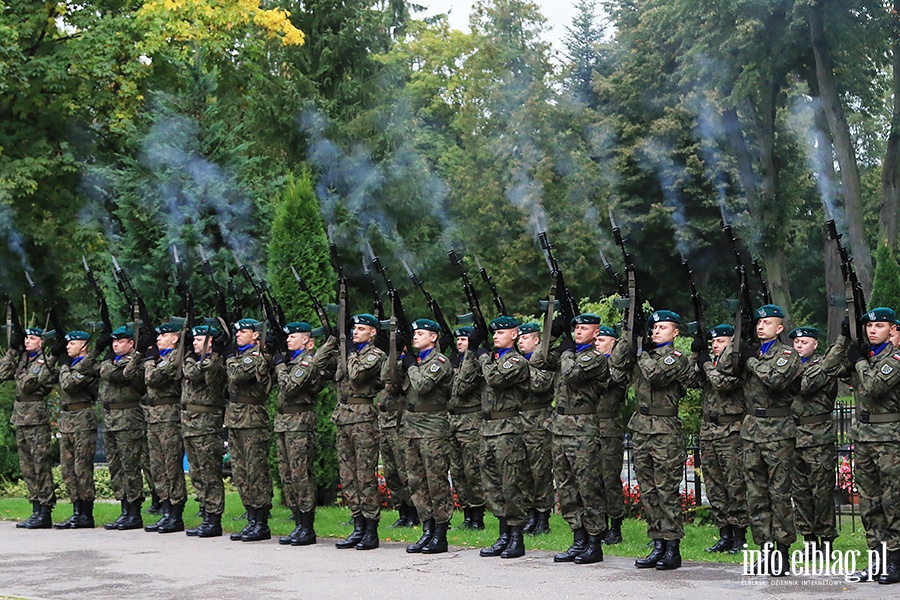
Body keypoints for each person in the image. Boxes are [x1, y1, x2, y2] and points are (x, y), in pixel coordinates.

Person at [721, 304, 802, 576]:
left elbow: (775, 380)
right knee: (755, 496)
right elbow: (724, 367)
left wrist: (751, 360)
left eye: (767, 323)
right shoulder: (751, 351)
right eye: (758, 322)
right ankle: (765, 549)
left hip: (778, 431)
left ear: (779, 328)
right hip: (752, 430)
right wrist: (738, 338)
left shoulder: (787, 354)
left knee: (779, 494)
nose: (761, 326)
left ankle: (782, 552)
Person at [823, 308, 900, 583]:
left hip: (890, 439)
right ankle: (876, 560)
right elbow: (827, 369)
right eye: (869, 326)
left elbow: (874, 385)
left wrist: (858, 361)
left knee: (893, 502)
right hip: (864, 437)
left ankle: (895, 561)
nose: (872, 330)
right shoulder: (865, 357)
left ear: (892, 330)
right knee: (868, 504)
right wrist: (844, 340)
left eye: (879, 326)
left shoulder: (895, 359)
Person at [611, 310, 691, 570]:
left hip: (665, 429)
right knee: (648, 490)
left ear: (675, 332)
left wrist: (640, 353)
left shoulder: (676, 358)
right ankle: (657, 542)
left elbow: (657, 375)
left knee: (666, 490)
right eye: (654, 327)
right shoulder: (644, 355)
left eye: (663, 328)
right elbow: (616, 366)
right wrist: (629, 336)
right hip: (642, 428)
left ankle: (672, 547)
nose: (656, 331)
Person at [549, 314, 610, 565]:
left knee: (588, 487)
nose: (578, 332)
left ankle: (594, 542)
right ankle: (578, 538)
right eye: (576, 328)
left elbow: (571, 373)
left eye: (584, 328)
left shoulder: (594, 358)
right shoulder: (571, 353)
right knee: (566, 487)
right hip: (561, 427)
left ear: (596, 334)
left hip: (583, 428)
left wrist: (565, 352)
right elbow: (542, 360)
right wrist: (554, 337)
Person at [692, 324, 748, 554]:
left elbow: (722, 383)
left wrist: (705, 364)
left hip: (731, 429)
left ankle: (739, 536)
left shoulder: (736, 365)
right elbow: (689, 380)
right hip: (709, 430)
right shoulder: (710, 365)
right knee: (714, 486)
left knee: (735, 485)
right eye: (714, 342)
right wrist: (696, 356)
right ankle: (723, 533)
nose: (716, 346)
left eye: (722, 342)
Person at [478, 316, 530, 559]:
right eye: (494, 333)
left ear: (514, 335)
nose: (496, 336)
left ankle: (516, 537)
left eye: (502, 332)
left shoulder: (516, 361)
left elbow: (495, 380)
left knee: (511, 484)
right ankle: (503, 535)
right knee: (492, 485)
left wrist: (482, 359)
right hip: (488, 428)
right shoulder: (494, 360)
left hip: (508, 428)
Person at [333, 314, 386, 550]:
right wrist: (333, 340)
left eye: (361, 329)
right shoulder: (348, 352)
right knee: (347, 476)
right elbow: (320, 367)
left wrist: (348, 352)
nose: (355, 332)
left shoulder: (375, 355)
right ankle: (357, 525)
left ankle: (371, 529)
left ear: (372, 332)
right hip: (343, 417)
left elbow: (356, 375)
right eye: (354, 328)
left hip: (363, 419)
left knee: (365, 475)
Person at [402, 319, 455, 555]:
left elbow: (423, 386)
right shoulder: (420, 361)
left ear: (433, 337)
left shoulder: (439, 362)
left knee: (436, 482)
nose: (415, 337)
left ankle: (441, 533)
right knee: (417, 481)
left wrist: (411, 366)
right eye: (415, 333)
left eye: (420, 333)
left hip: (433, 428)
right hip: (412, 427)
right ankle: (427, 528)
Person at [0, 325, 57, 529]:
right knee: (27, 466)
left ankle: (45, 509)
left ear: (41, 341)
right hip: (21, 417)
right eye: (26, 338)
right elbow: (1, 373)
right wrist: (12, 352)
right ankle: (35, 507)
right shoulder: (23, 360)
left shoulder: (46, 361)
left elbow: (28, 385)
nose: (28, 341)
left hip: (36, 417)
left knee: (40, 463)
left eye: (32, 338)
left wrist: (22, 364)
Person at [789, 326, 837, 555]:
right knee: (800, 491)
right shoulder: (788, 366)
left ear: (815, 345)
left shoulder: (823, 367)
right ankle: (808, 539)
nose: (799, 346)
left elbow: (805, 386)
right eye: (796, 342)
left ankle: (826, 539)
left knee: (822, 490)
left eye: (804, 342)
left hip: (818, 436)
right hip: (794, 435)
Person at [274, 322, 324, 547]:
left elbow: (290, 387)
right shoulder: (292, 361)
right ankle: (298, 523)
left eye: (293, 336)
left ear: (306, 340)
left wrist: (280, 367)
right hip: (284, 423)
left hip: (299, 424)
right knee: (287, 475)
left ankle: (307, 527)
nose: (288, 340)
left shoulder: (306, 362)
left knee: (301, 475)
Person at [225, 318, 274, 542]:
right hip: (235, 419)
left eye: (243, 331)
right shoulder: (239, 356)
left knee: (256, 471)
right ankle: (251, 518)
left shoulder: (258, 356)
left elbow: (237, 375)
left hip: (252, 419)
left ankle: (261, 521)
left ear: (256, 335)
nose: (238, 335)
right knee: (241, 471)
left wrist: (228, 358)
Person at [99, 326, 147, 530]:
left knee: (130, 465)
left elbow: (123, 375)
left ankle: (134, 511)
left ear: (131, 343)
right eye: (114, 341)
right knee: (115, 466)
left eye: (121, 341)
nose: (116, 344)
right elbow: (105, 372)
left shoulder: (135, 363)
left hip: (128, 419)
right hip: (111, 419)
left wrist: (135, 357)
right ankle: (124, 507)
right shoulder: (111, 362)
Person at [141, 322, 187, 534]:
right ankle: (166, 510)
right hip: (153, 418)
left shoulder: (174, 359)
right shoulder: (162, 358)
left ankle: (176, 513)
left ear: (175, 339)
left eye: (163, 336)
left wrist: (149, 361)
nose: (158, 340)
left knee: (171, 465)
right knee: (157, 467)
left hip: (169, 418)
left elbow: (152, 379)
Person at [181, 325, 227, 538]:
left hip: (207, 424)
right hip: (190, 424)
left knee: (210, 474)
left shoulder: (215, 363)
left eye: (199, 340)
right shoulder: (193, 360)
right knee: (197, 473)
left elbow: (206, 377)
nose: (194, 343)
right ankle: (205, 513)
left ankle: (214, 518)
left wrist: (213, 356)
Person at [53, 330, 101, 529]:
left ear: (84, 347)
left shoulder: (89, 367)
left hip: (82, 419)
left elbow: (69, 384)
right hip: (66, 420)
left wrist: (64, 365)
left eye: (73, 344)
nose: (68, 347)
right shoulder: (70, 366)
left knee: (82, 468)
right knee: (67, 468)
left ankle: (86, 513)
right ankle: (76, 509)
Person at [516, 322, 555, 536]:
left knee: (540, 472)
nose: (521, 341)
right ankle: (530, 513)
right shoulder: (518, 361)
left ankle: (543, 516)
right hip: (520, 420)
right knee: (523, 471)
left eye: (525, 338)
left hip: (539, 421)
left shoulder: (545, 363)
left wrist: (526, 368)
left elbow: (540, 386)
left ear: (537, 340)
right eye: (519, 338)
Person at [448, 326, 486, 530]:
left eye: (464, 339)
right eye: (459, 340)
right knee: (457, 471)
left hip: (470, 421)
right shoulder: (456, 362)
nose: (460, 343)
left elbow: (461, 388)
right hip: (453, 421)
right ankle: (467, 514)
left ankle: (478, 516)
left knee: (472, 470)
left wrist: (471, 355)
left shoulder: (474, 363)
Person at [377, 334, 417, 529]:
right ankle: (402, 511)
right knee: (391, 472)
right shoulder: (387, 362)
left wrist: (396, 360)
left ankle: (413, 512)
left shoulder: (402, 366)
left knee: (404, 470)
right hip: (385, 422)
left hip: (399, 422)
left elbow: (392, 384)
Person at [594, 326, 629, 545]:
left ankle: (615, 525)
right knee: (592, 480)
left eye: (602, 339)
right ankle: (598, 524)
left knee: (609, 479)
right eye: (595, 339)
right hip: (589, 426)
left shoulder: (618, 368)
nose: (597, 343)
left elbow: (606, 381)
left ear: (614, 343)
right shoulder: (589, 362)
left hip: (608, 428)